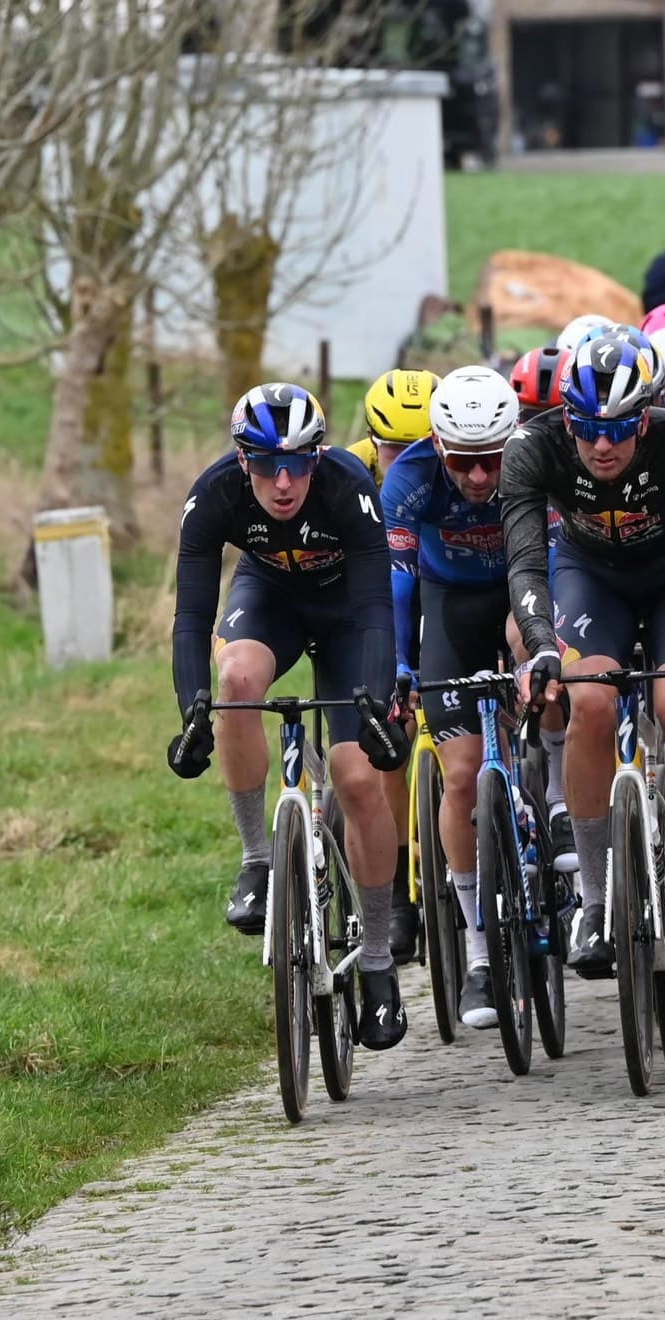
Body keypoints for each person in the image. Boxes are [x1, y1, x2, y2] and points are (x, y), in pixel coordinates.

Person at [165, 383, 410, 1051]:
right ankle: (255, 860)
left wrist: (378, 701)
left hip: (345, 612)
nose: (283, 481)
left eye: (299, 463)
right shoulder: (214, 492)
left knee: (357, 776)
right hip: (269, 596)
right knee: (237, 678)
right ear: (241, 461)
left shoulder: (348, 484)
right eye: (267, 464)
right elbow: (191, 618)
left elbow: (375, 609)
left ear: (319, 457)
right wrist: (192, 710)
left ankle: (381, 960)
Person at [497, 335, 665, 978]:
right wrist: (542, 645)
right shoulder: (532, 447)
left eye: (618, 430)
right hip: (590, 576)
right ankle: (597, 902)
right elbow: (524, 565)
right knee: (591, 702)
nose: (601, 446)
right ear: (567, 420)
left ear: (645, 418)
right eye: (587, 429)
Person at [382, 365, 523, 1030]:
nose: (478, 478)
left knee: (542, 661)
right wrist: (402, 667)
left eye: (491, 461)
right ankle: (476, 952)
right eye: (464, 463)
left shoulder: (530, 464)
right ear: (439, 447)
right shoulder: (407, 479)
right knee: (461, 777)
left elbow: (551, 564)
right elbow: (398, 585)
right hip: (447, 607)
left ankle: (553, 812)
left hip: (520, 595)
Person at [349, 367, 438, 961]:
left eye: (419, 447)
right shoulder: (349, 471)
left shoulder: (456, 462)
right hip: (375, 594)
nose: (404, 459)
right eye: (392, 448)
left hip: (443, 583)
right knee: (389, 730)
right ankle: (401, 889)